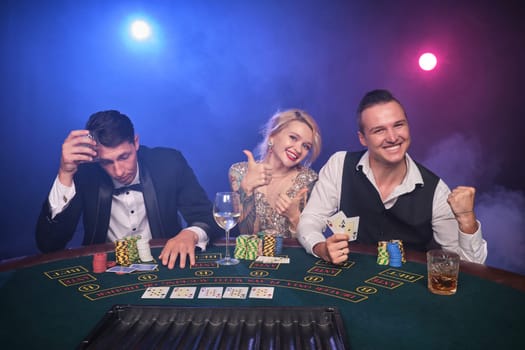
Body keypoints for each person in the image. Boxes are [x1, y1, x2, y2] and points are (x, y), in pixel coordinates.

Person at [297, 89, 487, 264]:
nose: (392, 137)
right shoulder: (339, 165)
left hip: (411, 292)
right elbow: (311, 219)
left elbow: (471, 266)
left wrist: (467, 219)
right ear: (362, 138)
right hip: (350, 283)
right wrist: (320, 247)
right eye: (379, 130)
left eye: (398, 125)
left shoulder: (435, 190)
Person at [36, 110, 220, 269]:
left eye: (124, 157)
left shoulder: (169, 162)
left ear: (136, 142)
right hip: (105, 270)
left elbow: (206, 217)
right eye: (106, 162)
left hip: (166, 264)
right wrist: (65, 173)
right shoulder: (84, 172)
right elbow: (49, 245)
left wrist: (191, 234)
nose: (118, 171)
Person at [229, 109, 322, 238]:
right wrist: (247, 189)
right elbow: (246, 234)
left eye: (306, 146)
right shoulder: (240, 172)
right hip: (252, 257)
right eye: (293, 138)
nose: (298, 149)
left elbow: (309, 240)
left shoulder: (309, 180)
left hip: (292, 257)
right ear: (272, 135)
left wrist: (294, 217)